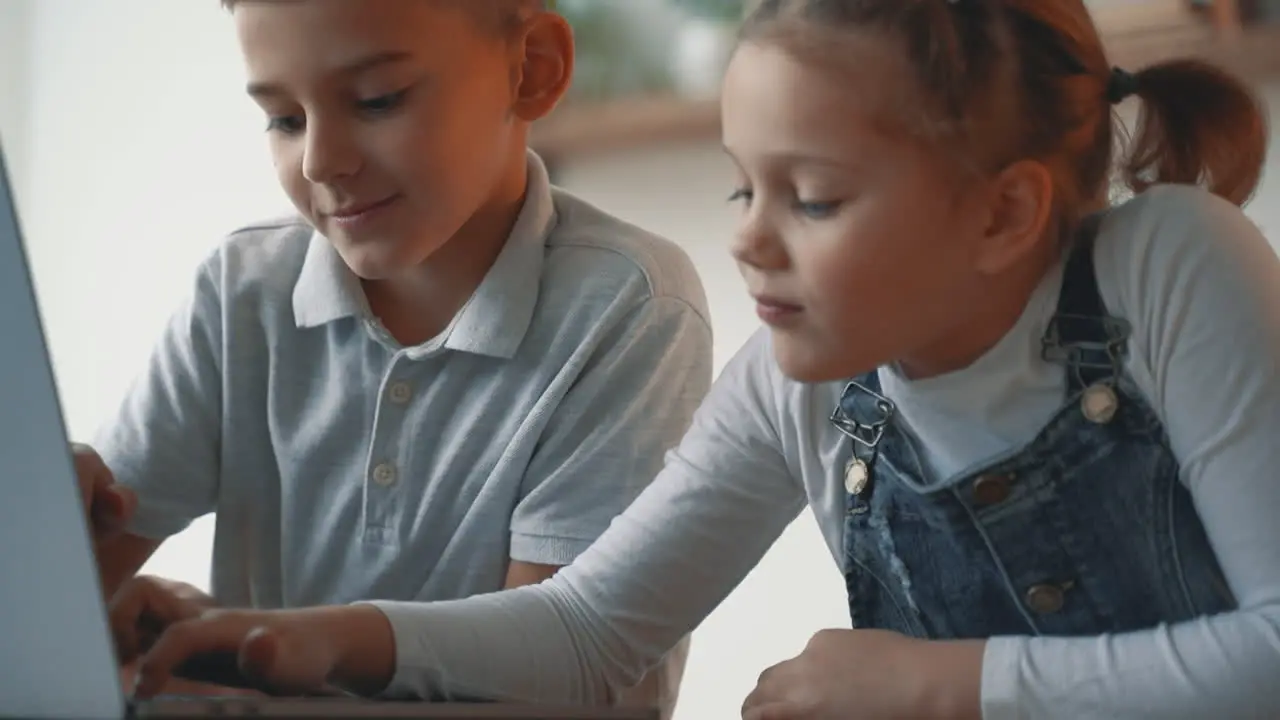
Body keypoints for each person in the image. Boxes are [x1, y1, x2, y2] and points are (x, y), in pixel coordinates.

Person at [117, 0, 1280, 717]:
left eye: (811, 198)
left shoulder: (1164, 263)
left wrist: (936, 688)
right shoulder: (802, 383)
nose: (745, 238)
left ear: (1000, 214)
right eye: (742, 184)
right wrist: (302, 641)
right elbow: (584, 632)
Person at [77, 0, 710, 713]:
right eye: (285, 119)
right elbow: (62, 595)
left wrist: (249, 667)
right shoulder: (243, 289)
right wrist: (42, 533)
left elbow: (558, 672)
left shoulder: (627, 306)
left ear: (531, 69)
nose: (321, 160)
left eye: (378, 101)